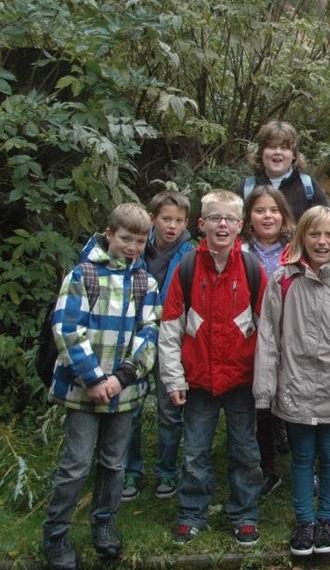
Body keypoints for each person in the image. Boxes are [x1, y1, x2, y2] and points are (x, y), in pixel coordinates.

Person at [41, 203, 160, 570]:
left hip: (123, 390)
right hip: (83, 391)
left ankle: (104, 523)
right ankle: (56, 531)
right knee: (76, 464)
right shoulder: (83, 275)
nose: (133, 247)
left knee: (114, 462)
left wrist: (121, 377)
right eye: (126, 238)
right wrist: (93, 378)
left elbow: (150, 333)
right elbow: (66, 328)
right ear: (109, 234)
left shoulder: (146, 283)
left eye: (140, 241)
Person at [253, 206, 330, 556]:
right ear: (301, 237)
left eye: (329, 235)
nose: (321, 242)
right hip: (295, 386)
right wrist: (265, 389)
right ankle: (305, 521)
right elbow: (268, 337)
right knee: (302, 455)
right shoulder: (283, 280)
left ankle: (327, 519)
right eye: (314, 234)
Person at [159, 190, 266, 546]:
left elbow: (269, 329)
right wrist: (174, 377)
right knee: (194, 453)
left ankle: (245, 514)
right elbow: (171, 326)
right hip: (199, 382)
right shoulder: (187, 267)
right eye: (215, 218)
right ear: (201, 224)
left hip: (241, 381)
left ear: (241, 225)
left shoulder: (252, 269)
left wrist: (265, 379)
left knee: (245, 451)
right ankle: (192, 513)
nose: (222, 225)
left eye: (230, 219)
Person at [122, 191, 194, 502]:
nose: (172, 226)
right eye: (166, 218)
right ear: (153, 219)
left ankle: (167, 469)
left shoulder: (190, 254)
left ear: (186, 223)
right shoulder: (136, 248)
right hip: (134, 337)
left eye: (178, 220)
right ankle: (130, 470)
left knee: (170, 409)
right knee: (131, 408)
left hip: (170, 340)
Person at [240, 185, 296, 496]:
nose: (268, 216)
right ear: (249, 216)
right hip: (252, 335)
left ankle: (301, 464)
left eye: (273, 210)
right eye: (260, 210)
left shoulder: (296, 247)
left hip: (292, 335)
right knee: (260, 402)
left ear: (283, 215)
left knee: (294, 399)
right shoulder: (241, 250)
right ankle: (267, 467)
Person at [238, 120, 329, 219]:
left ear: (294, 155)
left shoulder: (309, 187)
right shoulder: (246, 189)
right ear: (261, 152)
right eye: (271, 147)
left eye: (284, 148)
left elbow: (325, 224)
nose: (277, 152)